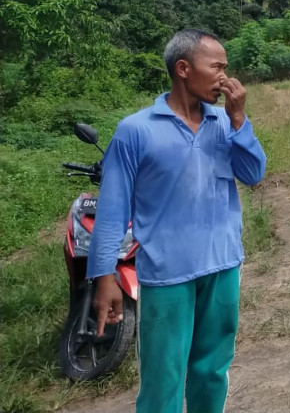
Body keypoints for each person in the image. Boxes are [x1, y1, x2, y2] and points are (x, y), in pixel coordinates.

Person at [87, 29, 267, 413]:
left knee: (211, 370)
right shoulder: (136, 131)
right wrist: (105, 276)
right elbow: (113, 209)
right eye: (217, 67)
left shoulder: (224, 122)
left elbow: (253, 174)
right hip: (168, 276)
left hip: (222, 267)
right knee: (163, 377)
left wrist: (239, 119)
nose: (225, 77)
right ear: (183, 68)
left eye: (226, 68)